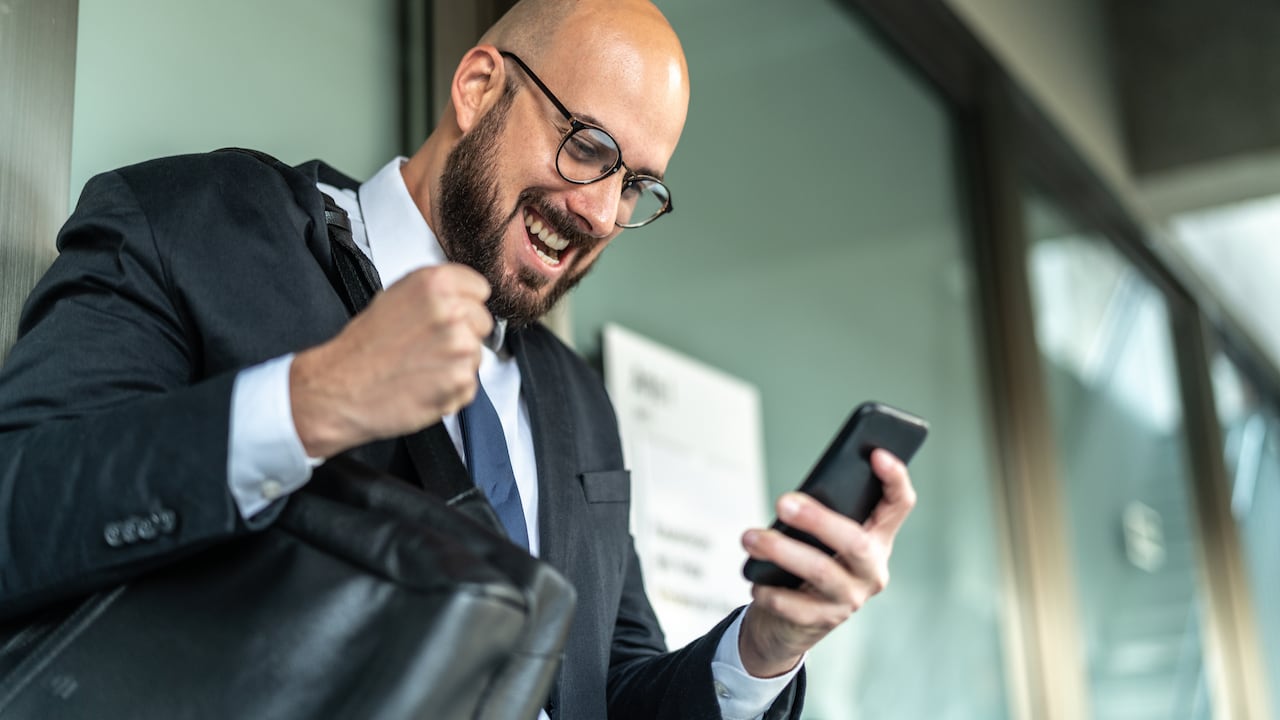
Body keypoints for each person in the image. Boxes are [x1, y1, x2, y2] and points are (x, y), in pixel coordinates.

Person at [0, 0, 917, 717]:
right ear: (479, 86)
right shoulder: (197, 223)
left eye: (634, 184)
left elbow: (600, 692)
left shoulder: (577, 405)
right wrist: (309, 404)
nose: (602, 213)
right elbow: (17, 507)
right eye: (588, 146)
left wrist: (765, 647)